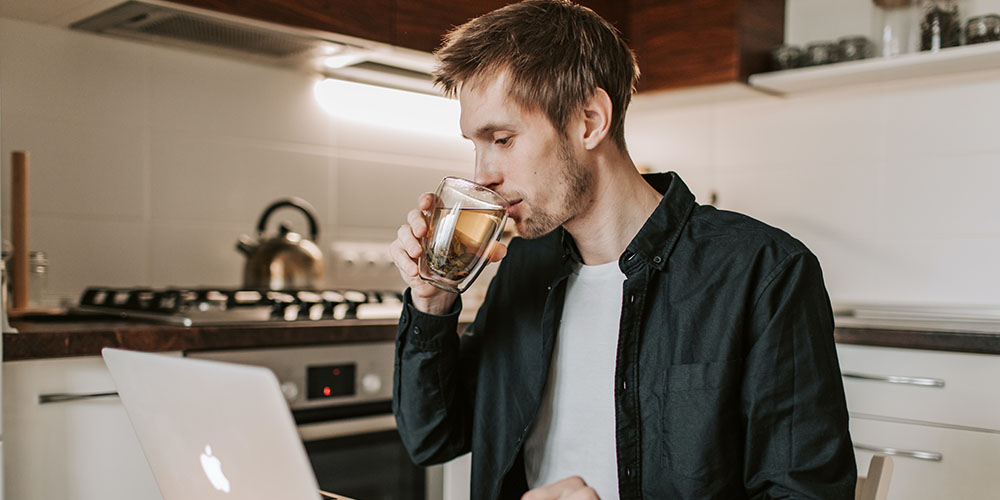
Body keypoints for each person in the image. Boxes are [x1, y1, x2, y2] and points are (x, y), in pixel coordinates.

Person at [389, 1, 857, 499]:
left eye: (502, 139)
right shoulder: (526, 264)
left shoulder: (763, 273)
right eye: (476, 145)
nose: (482, 174)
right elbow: (433, 439)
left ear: (590, 120)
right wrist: (433, 303)